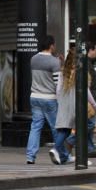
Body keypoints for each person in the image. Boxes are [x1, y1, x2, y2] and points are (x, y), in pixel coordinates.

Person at [53, 47, 96, 165]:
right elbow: (85, 91)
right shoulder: (79, 72)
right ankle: (62, 151)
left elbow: (58, 90)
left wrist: (60, 102)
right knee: (80, 128)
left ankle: (63, 156)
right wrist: (93, 103)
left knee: (65, 129)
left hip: (63, 103)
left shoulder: (63, 72)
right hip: (76, 104)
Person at [26, 35, 61, 165]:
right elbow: (58, 84)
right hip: (49, 98)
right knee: (56, 128)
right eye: (54, 44)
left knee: (35, 127)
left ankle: (30, 156)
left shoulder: (33, 59)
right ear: (51, 45)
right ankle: (59, 153)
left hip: (34, 96)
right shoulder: (54, 62)